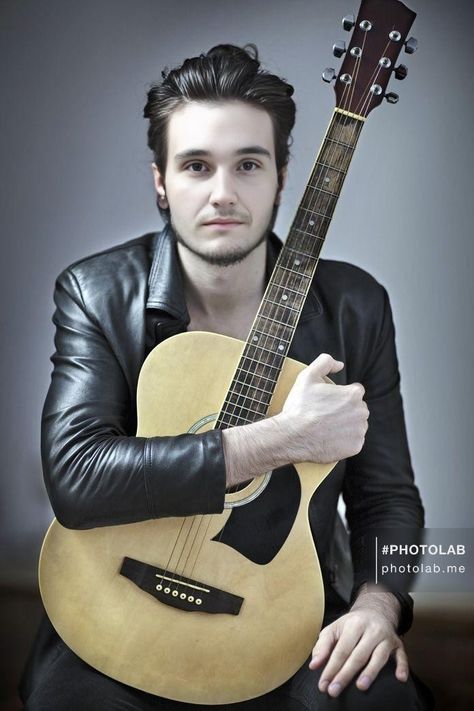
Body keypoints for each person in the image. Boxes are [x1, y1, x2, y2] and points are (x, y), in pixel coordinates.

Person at [20, 44, 433, 710]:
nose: (223, 192)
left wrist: (381, 604)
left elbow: (390, 496)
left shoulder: (357, 307)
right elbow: (75, 476)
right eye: (195, 166)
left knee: (386, 700)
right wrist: (279, 439)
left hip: (281, 610)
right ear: (161, 181)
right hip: (117, 600)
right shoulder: (96, 291)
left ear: (282, 175)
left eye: (248, 164)